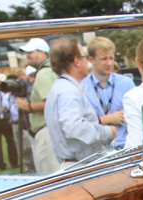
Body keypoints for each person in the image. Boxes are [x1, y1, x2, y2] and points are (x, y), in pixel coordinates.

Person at [44, 37, 116, 167]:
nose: (87, 61)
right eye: (84, 57)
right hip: (82, 166)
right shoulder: (68, 91)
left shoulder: (61, 88)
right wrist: (107, 132)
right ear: (77, 61)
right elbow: (74, 128)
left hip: (78, 164)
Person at [80, 36, 135, 149]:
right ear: (91, 60)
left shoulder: (127, 84)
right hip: (97, 152)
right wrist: (105, 120)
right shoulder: (81, 88)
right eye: (104, 59)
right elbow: (80, 126)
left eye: (111, 58)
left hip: (125, 148)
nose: (109, 63)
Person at [15, 38, 57, 173]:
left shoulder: (44, 73)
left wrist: (27, 106)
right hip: (52, 130)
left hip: (46, 131)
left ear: (42, 53)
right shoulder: (52, 69)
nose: (28, 55)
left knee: (48, 174)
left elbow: (49, 103)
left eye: (31, 52)